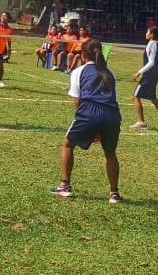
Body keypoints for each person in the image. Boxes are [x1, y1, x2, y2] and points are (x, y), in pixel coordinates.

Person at [51, 38, 123, 203]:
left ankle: (65, 185)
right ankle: (114, 194)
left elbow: (78, 102)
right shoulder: (110, 73)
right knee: (110, 154)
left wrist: (90, 126)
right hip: (112, 115)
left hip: (89, 113)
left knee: (67, 145)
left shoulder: (79, 72)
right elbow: (112, 99)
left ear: (83, 55)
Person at [131, 25, 158, 129]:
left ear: (152, 35)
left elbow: (151, 62)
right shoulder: (155, 44)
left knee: (135, 97)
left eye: (148, 32)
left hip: (149, 76)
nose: (146, 33)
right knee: (152, 97)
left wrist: (139, 72)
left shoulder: (152, 45)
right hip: (154, 75)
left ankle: (141, 122)